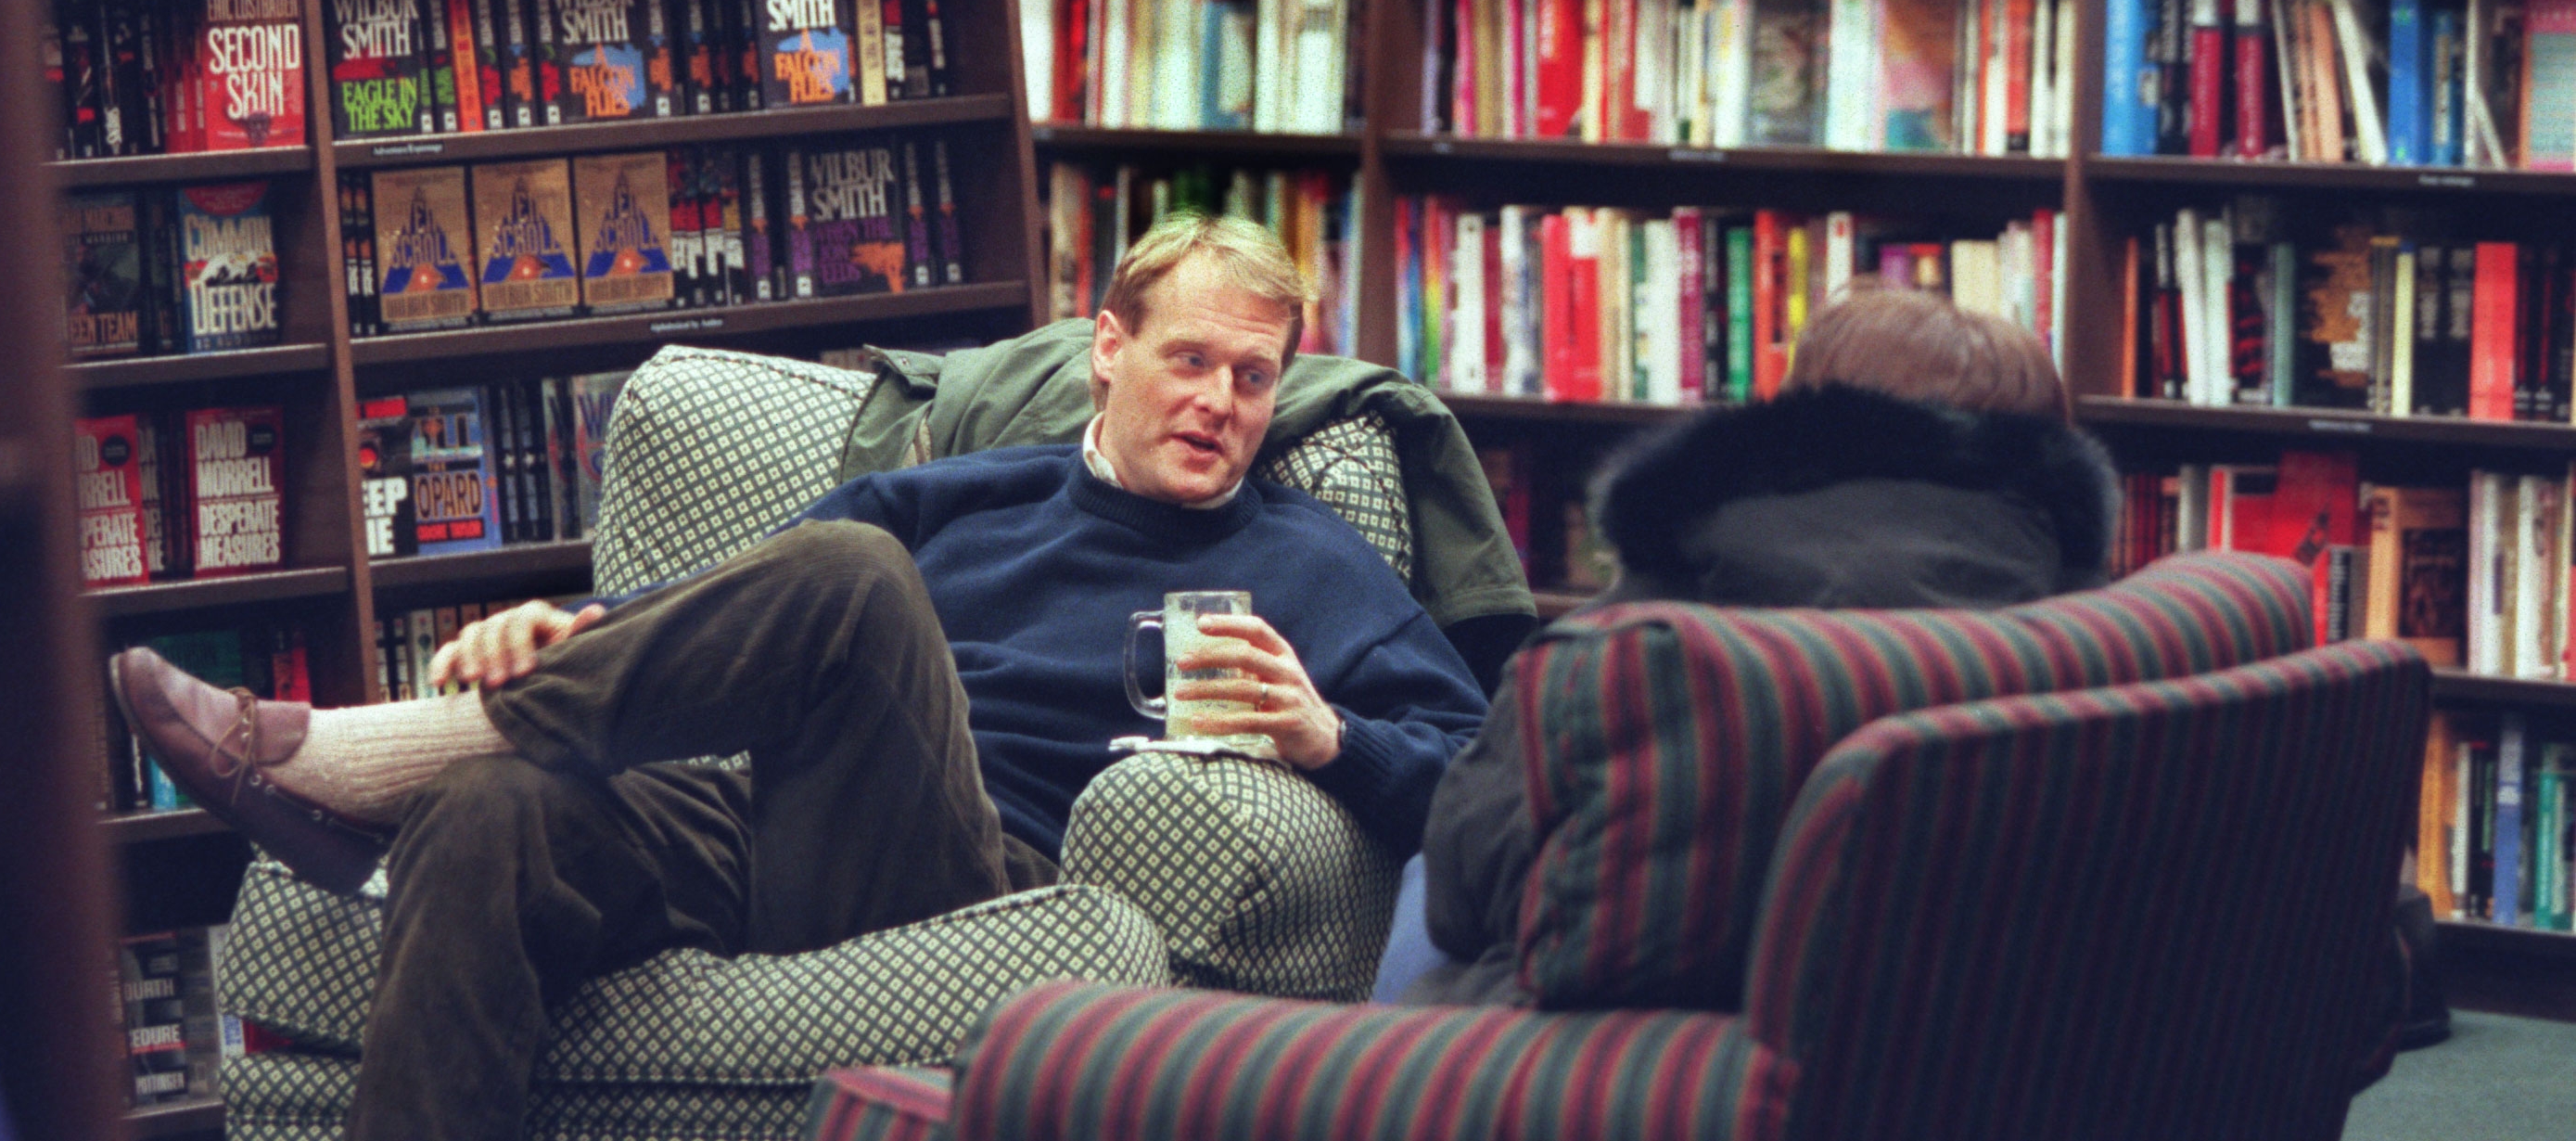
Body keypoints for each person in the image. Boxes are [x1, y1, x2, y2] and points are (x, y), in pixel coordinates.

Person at [113, 214, 1489, 1141]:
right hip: (765, 816)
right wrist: (574, 619)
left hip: (974, 868)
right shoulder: (963, 492)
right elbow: (731, 608)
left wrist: (1330, 735)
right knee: (495, 816)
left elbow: (1488, 785)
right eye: (1188, 359)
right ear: (1107, 351)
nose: (1218, 403)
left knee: (851, 575)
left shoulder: (1310, 564)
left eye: (1253, 378)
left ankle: (365, 762)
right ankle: (443, 767)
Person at [1384, 285, 2118, 1006]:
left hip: (1637, 1045)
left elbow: (1465, 880)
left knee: (1422, 871)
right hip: (1970, 1021)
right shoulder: (2087, 642)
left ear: (1799, 415)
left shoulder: (1633, 639)